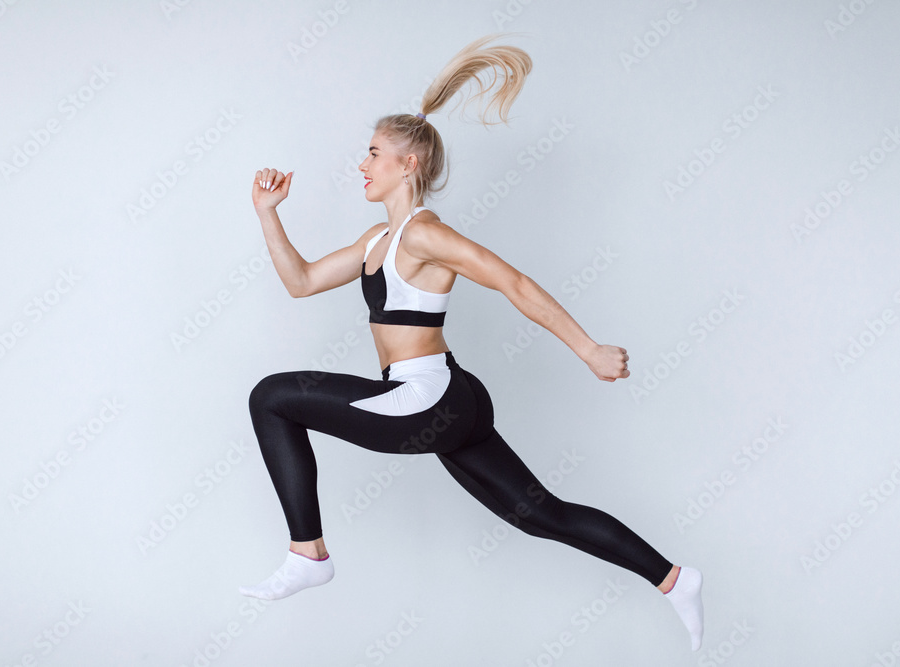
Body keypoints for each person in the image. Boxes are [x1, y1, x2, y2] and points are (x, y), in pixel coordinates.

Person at [239, 34, 704, 651]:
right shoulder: (375, 241)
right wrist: (268, 212)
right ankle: (674, 579)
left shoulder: (424, 235)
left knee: (271, 397)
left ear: (408, 164)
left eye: (373, 153)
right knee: (540, 515)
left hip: (429, 398)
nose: (362, 165)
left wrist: (589, 349)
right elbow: (300, 282)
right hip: (448, 398)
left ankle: (309, 554)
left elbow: (514, 282)